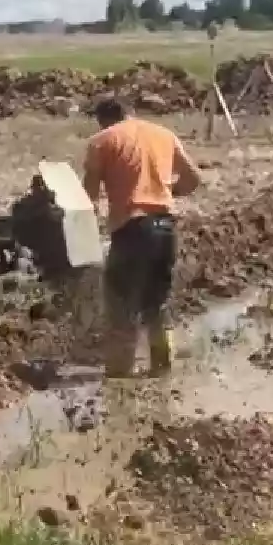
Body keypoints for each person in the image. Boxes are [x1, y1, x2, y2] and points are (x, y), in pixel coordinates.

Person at [80, 96, 203, 377]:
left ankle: (119, 377)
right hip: (165, 228)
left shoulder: (102, 140)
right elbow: (193, 179)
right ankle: (162, 367)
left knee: (122, 305)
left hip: (132, 230)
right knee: (156, 302)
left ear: (102, 119)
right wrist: (164, 194)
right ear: (130, 112)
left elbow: (88, 198)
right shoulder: (164, 135)